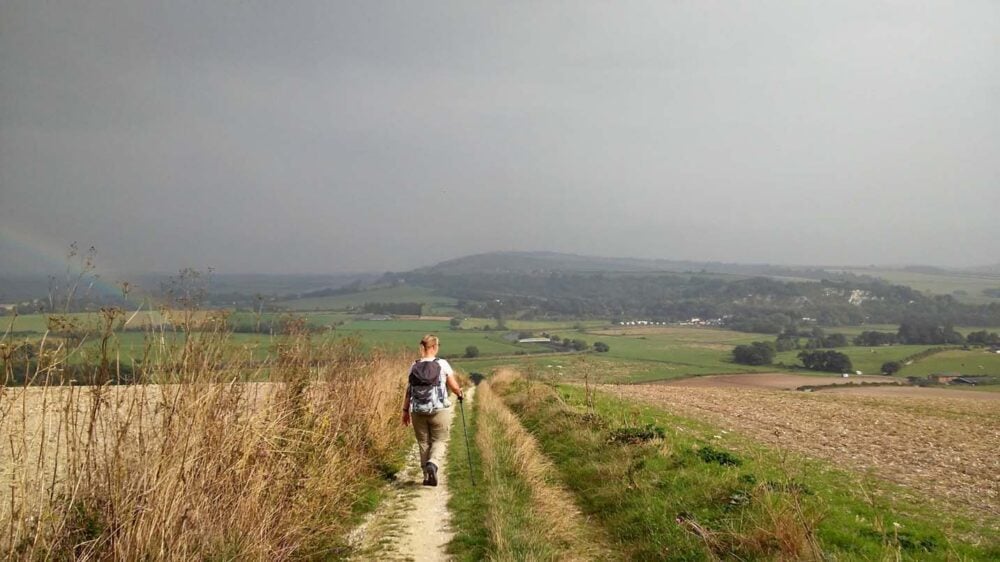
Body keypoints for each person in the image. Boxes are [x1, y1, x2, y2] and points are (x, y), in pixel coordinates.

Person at [401, 334, 463, 486]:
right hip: (439, 410)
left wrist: (405, 411)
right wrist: (460, 394)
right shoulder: (442, 364)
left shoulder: (414, 365)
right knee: (439, 440)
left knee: (423, 442)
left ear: (423, 347)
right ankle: (433, 464)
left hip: (417, 410)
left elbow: (409, 390)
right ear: (434, 347)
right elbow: (454, 386)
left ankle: (426, 477)